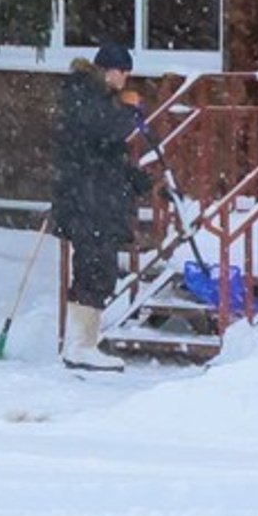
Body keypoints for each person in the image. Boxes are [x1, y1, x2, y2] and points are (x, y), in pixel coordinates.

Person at [51, 40, 150, 372]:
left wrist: (132, 178)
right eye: (123, 72)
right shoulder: (85, 96)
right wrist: (130, 112)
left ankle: (82, 343)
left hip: (95, 199)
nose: (125, 79)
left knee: (98, 269)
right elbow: (104, 132)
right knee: (95, 268)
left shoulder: (96, 98)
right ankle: (81, 346)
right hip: (87, 202)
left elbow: (105, 153)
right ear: (109, 71)